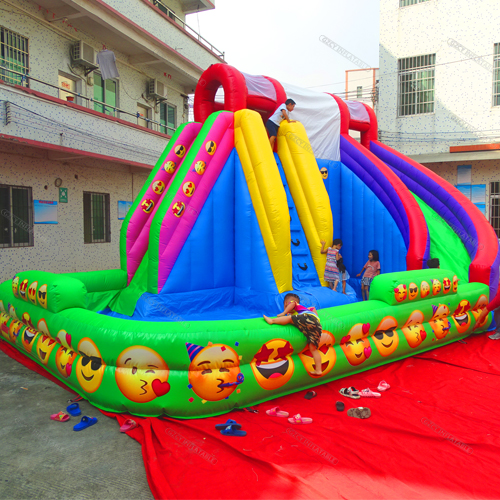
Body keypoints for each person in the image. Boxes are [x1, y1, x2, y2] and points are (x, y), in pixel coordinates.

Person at [263, 293, 323, 376]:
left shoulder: (294, 304)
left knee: (290, 319)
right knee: (313, 349)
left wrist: (284, 313)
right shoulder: (304, 310)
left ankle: (272, 321)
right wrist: (316, 319)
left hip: (308, 319)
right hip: (317, 325)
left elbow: (293, 303)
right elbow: (313, 308)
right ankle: (318, 370)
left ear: (286, 304)